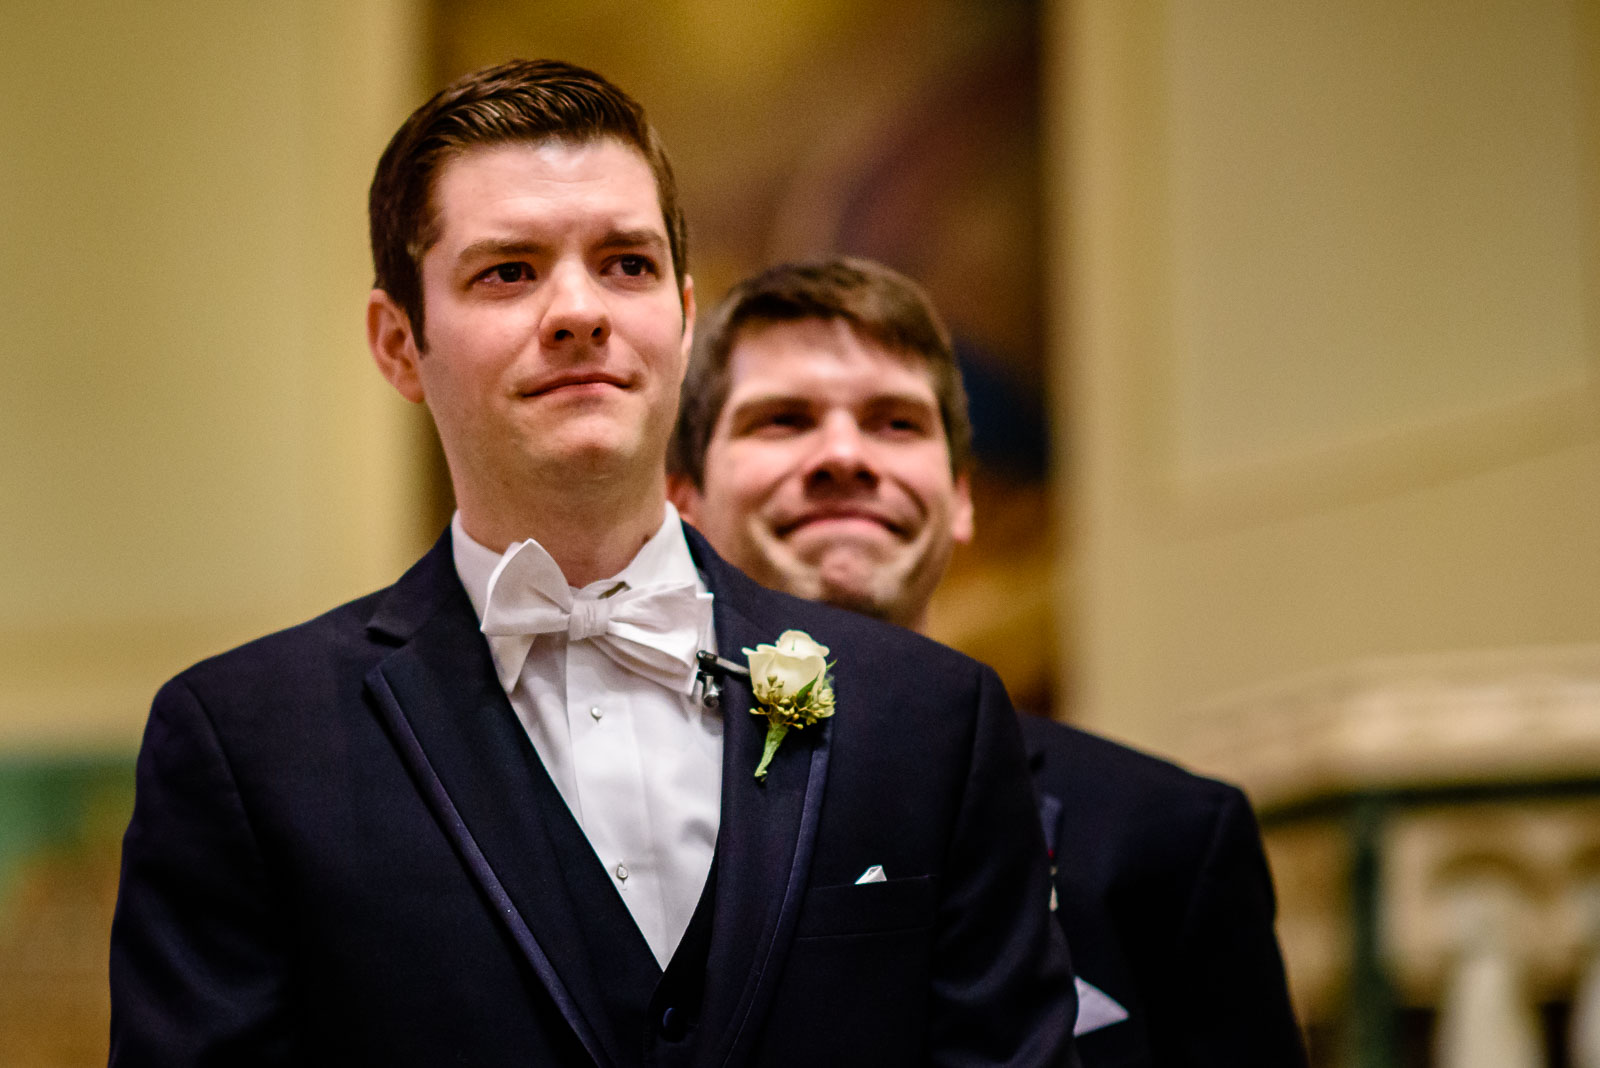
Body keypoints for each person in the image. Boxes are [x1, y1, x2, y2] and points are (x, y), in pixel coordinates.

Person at [108, 62, 1078, 1066]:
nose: (579, 311)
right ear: (399, 343)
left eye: (625, 264)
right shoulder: (247, 745)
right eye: (509, 271)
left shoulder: (930, 717)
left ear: (685, 315)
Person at [669, 257, 1308, 1067]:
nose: (844, 455)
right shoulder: (623, 812)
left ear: (963, 496)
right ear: (681, 498)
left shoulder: (1172, 836)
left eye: (895, 422)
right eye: (784, 421)